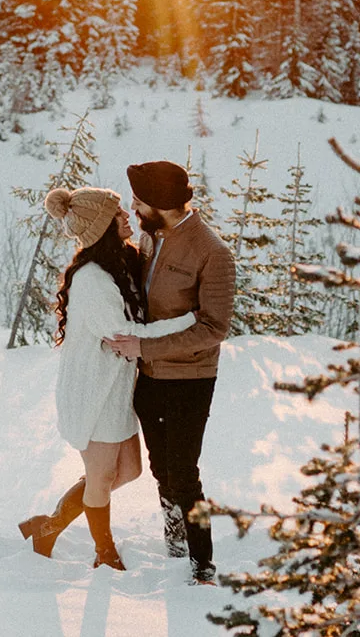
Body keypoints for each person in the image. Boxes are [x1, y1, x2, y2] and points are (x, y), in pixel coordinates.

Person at [17, 186, 197, 571]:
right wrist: (190, 323)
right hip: (92, 390)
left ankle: (47, 526)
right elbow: (122, 335)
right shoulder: (93, 280)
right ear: (102, 226)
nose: (127, 217)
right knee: (100, 477)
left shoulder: (120, 263)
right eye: (118, 214)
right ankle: (104, 553)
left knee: (128, 470)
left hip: (114, 390)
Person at [102, 160, 235, 585]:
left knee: (184, 472)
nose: (134, 206)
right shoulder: (149, 236)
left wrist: (147, 345)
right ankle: (174, 541)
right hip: (149, 378)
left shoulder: (212, 253)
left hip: (190, 381)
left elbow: (215, 327)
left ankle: (202, 563)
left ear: (160, 204)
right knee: (161, 467)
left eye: (140, 200)